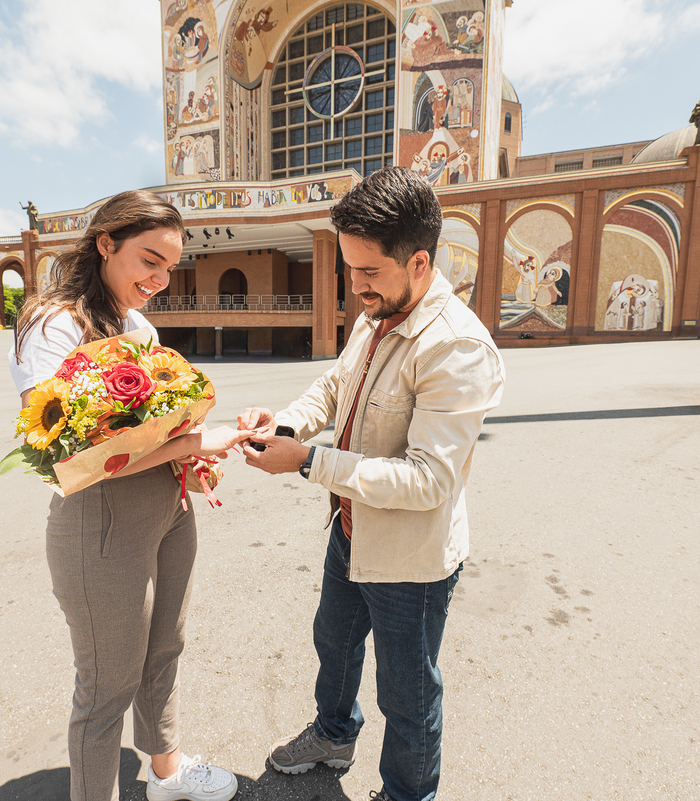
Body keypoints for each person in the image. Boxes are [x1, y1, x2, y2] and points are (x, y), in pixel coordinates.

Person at [238, 167, 505, 801]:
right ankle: (334, 734)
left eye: (369, 271)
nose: (355, 285)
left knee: (408, 694)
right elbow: (336, 384)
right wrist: (286, 424)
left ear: (419, 263)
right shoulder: (377, 309)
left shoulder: (456, 348)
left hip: (410, 558)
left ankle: (407, 794)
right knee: (334, 642)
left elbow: (428, 481)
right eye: (349, 268)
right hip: (352, 530)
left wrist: (308, 461)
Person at [9, 190, 253, 801]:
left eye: (169, 267)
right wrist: (194, 439)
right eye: (149, 260)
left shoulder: (138, 326)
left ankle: (166, 773)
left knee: (164, 648)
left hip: (168, 508)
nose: (160, 279)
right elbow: (69, 453)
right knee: (106, 684)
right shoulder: (54, 325)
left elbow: (155, 428)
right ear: (105, 243)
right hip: (100, 520)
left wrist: (191, 458)